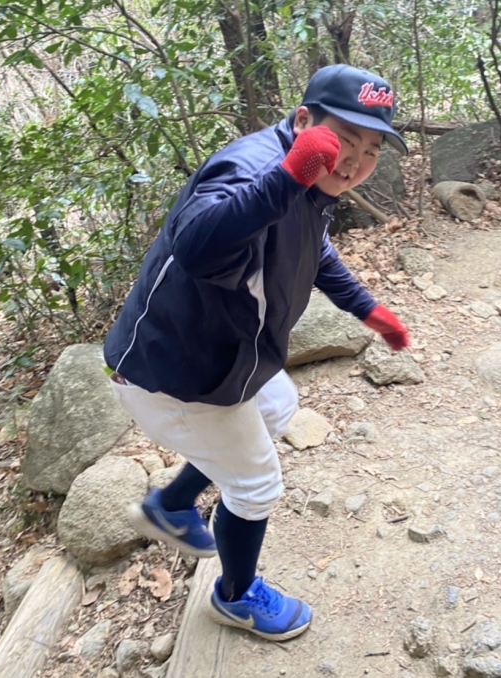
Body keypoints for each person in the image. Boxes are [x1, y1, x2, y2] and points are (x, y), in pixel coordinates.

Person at [103, 64, 410, 642]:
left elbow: (313, 249)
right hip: (175, 372)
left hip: (222, 353)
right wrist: (289, 177)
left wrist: (366, 308)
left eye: (371, 149)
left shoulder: (310, 181)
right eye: (345, 140)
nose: (354, 161)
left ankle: (172, 504)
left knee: (277, 405)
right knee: (257, 486)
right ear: (303, 121)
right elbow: (198, 245)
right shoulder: (255, 169)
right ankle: (235, 596)